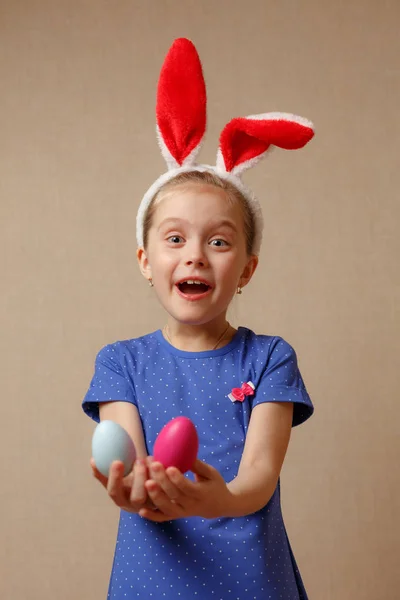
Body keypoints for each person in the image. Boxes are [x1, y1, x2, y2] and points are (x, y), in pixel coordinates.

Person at [83, 38, 315, 600]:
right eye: (175, 238)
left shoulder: (268, 357)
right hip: (152, 580)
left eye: (218, 241)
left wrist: (223, 500)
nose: (195, 255)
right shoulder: (122, 362)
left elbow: (259, 473)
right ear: (146, 261)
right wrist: (134, 489)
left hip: (250, 580)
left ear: (247, 267)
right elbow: (131, 460)